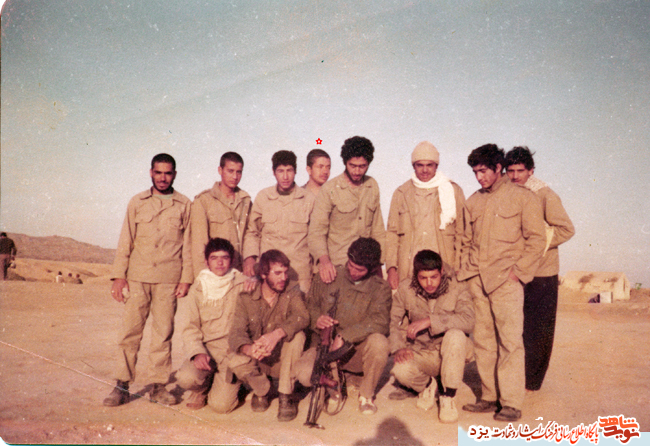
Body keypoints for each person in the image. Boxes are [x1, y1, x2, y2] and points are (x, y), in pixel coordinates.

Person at [458, 144, 546, 422]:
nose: (479, 177)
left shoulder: (523, 197)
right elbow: (464, 242)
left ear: (498, 168)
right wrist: (468, 275)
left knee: (510, 342)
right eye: (475, 172)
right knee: (483, 342)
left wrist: (518, 273)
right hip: (477, 281)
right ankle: (488, 396)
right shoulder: (473, 201)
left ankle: (510, 402)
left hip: (506, 281)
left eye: (483, 171)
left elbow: (537, 240)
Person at [104, 153, 192, 407]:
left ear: (174, 175)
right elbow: (126, 240)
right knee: (130, 333)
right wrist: (119, 276)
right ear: (151, 173)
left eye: (168, 173)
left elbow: (188, 245)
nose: (163, 178)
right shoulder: (137, 202)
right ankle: (121, 385)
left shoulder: (184, 205)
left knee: (162, 334)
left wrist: (185, 278)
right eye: (158, 172)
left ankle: (158, 386)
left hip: (168, 279)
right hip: (138, 278)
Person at [504, 146, 575, 392]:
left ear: (531, 171)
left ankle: (532, 383)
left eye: (520, 171)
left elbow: (566, 229)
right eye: (510, 171)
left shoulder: (545, 194)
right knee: (516, 328)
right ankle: (514, 377)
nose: (515, 176)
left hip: (542, 272)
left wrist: (535, 242)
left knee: (539, 330)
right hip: (515, 270)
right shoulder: (506, 192)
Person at [306, 237, 391, 415]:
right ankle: (334, 384)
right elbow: (310, 306)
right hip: (324, 348)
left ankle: (366, 395)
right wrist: (317, 319)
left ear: (372, 269)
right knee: (304, 374)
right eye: (350, 265)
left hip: (354, 352)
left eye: (359, 270)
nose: (352, 272)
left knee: (380, 343)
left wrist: (346, 336)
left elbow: (381, 321)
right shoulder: (329, 275)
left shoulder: (380, 287)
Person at [389, 250, 474, 424]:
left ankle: (448, 396)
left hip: (452, 352)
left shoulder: (457, 286)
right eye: (423, 278)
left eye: (434, 277)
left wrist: (430, 321)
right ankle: (428, 385)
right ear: (416, 275)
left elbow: (468, 321)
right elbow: (392, 321)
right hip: (422, 352)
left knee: (456, 334)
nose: (429, 283)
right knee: (400, 369)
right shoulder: (406, 288)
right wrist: (399, 347)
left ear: (442, 271)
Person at [229, 249, 311, 422]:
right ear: (263, 274)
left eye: (285, 272)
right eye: (278, 273)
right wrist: (249, 349)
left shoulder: (292, 290)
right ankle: (262, 391)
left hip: (283, 359)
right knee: (234, 359)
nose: (284, 278)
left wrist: (276, 334)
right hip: (259, 359)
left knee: (298, 336)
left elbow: (302, 316)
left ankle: (285, 395)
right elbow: (236, 333)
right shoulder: (246, 297)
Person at [173, 238, 248, 412]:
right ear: (207, 262)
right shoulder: (198, 288)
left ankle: (236, 385)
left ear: (232, 260)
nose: (220, 263)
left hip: (232, 352)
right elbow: (190, 327)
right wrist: (197, 352)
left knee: (222, 406)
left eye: (225, 258)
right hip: (207, 351)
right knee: (186, 378)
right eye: (214, 258)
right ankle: (201, 390)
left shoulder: (242, 284)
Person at [386, 141, 467, 290]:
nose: (424, 170)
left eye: (429, 165)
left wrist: (458, 267)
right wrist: (391, 268)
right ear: (413, 166)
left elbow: (462, 232)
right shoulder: (401, 193)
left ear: (436, 166)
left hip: (444, 268)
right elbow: (392, 234)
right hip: (409, 270)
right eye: (420, 165)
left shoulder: (452, 191)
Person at [308, 136, 386, 284]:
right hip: (337, 268)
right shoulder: (329, 189)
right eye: (352, 165)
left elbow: (378, 230)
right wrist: (324, 262)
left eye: (362, 166)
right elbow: (316, 232)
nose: (357, 171)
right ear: (345, 162)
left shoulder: (372, 186)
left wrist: (379, 264)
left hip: (367, 269)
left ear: (369, 164)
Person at [243, 151, 316, 293]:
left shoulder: (308, 199)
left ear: (295, 171)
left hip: (299, 275)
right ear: (273, 172)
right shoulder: (264, 197)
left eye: (289, 170)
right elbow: (252, 232)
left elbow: (315, 236)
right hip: (269, 274)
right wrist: (250, 259)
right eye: (280, 171)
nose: (285, 176)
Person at [191, 152, 251, 277]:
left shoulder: (245, 201)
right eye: (230, 171)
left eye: (239, 172)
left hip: (240, 272)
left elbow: (251, 235)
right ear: (220, 170)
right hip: (216, 273)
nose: (235, 176)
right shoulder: (204, 201)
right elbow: (199, 244)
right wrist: (203, 278)